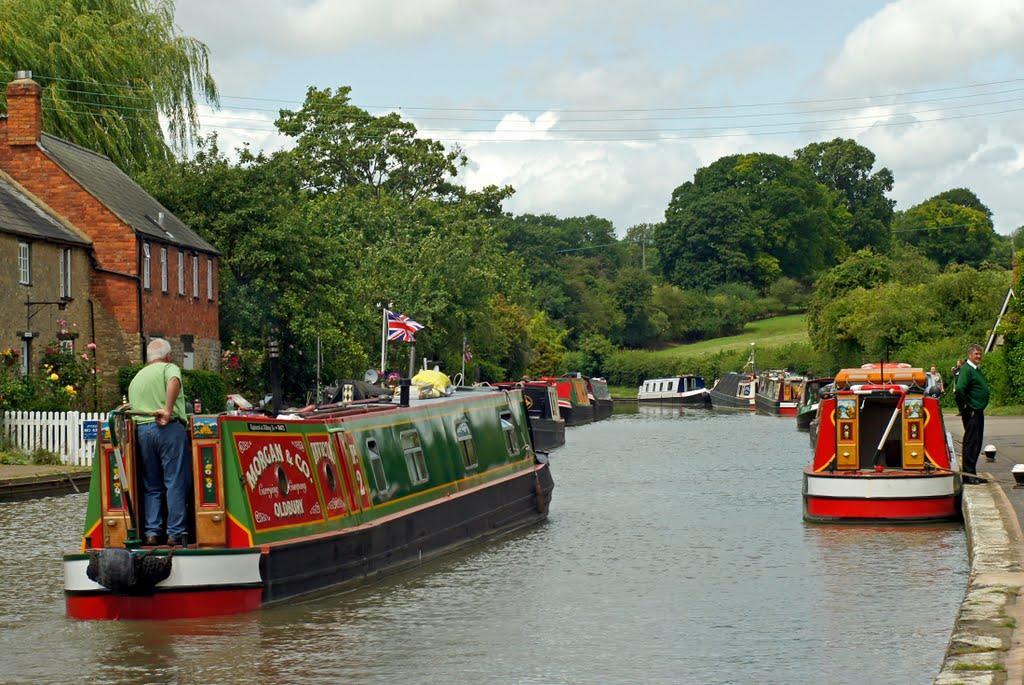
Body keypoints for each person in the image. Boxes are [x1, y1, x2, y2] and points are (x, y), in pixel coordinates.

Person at [128, 338, 191, 545]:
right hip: (168, 428)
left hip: (143, 432)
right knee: (174, 481)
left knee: (151, 484)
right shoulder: (169, 368)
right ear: (168, 356)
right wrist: (168, 410)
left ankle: (152, 533)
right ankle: (175, 532)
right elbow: (174, 381)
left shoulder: (137, 377)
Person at [954, 344, 990, 476]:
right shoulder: (967, 369)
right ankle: (968, 474)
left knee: (976, 441)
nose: (979, 356)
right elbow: (959, 389)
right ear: (970, 355)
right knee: (971, 441)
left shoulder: (975, 369)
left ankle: (972, 472)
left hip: (978, 410)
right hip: (972, 411)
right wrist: (966, 407)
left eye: (980, 354)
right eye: (976, 354)